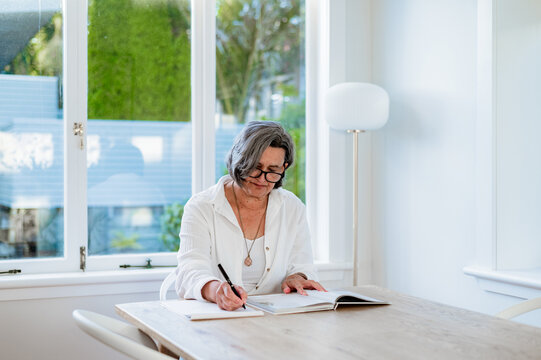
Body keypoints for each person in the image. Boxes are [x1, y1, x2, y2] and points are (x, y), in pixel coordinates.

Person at [174, 120, 325, 311]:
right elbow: (190, 271)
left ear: (284, 167)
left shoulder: (292, 207)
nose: (262, 179)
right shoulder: (202, 207)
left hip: (277, 321)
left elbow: (302, 265)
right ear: (240, 161)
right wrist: (216, 291)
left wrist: (298, 278)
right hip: (218, 320)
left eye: (273, 171)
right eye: (256, 167)